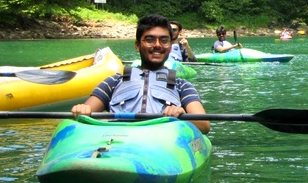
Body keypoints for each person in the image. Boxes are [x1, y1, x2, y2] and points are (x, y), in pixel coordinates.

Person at [72, 14, 210, 134]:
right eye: (150, 40)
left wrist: (182, 114)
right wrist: (82, 110)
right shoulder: (113, 82)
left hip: (161, 142)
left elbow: (204, 126)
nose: (157, 45)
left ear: (169, 46)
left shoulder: (182, 86)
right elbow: (86, 114)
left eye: (164, 40)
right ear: (137, 45)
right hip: (117, 139)